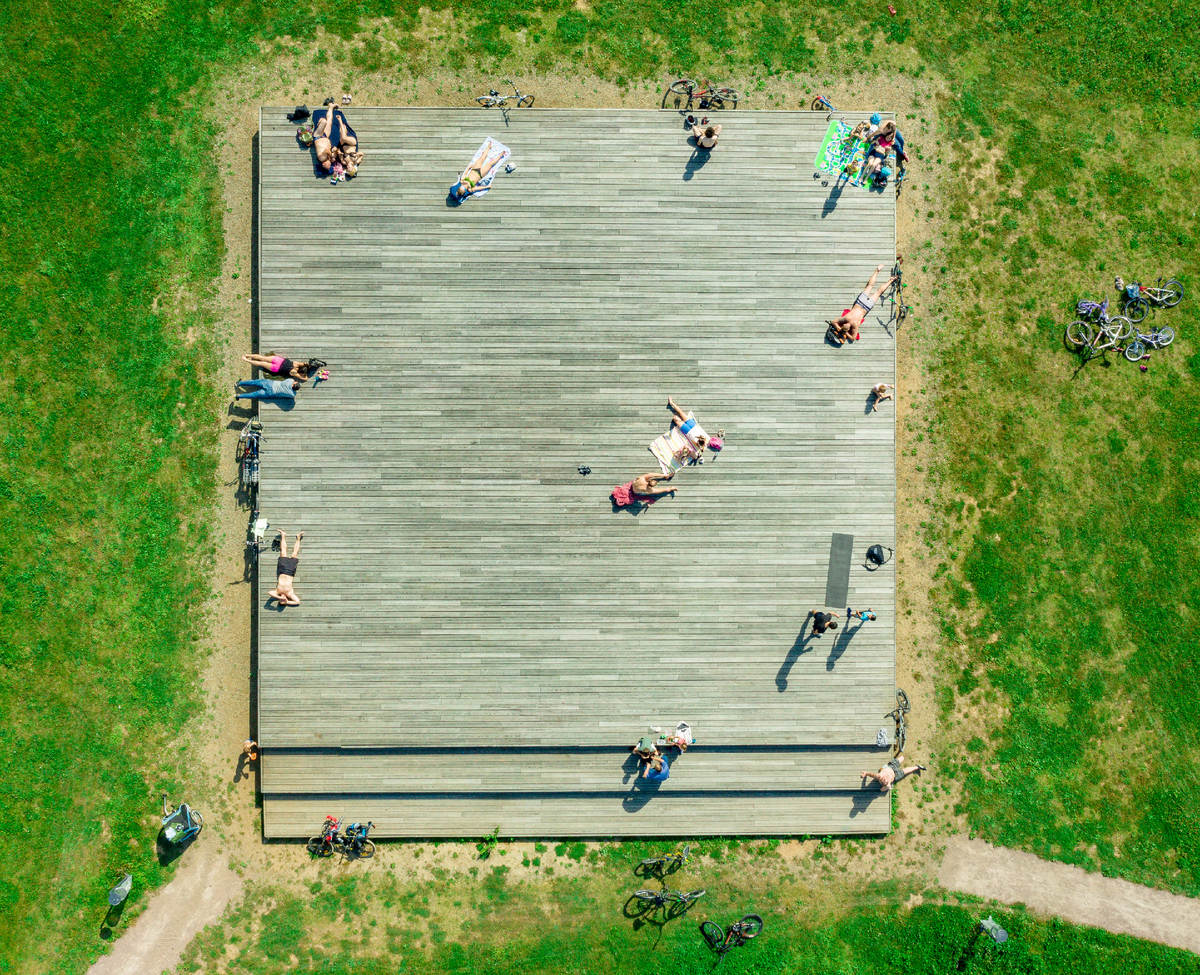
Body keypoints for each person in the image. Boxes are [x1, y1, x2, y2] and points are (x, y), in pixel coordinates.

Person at [827, 265, 897, 343]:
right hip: (866, 307)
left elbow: (833, 322)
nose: (845, 326)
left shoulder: (846, 318)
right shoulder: (855, 326)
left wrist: (840, 330)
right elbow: (853, 338)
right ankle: (890, 280)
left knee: (870, 286)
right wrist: (845, 332)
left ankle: (877, 271)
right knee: (878, 292)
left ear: (843, 325)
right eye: (846, 328)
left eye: (844, 326)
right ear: (848, 329)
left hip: (860, 302)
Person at [312, 101, 357, 172]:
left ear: (323, 164)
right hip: (326, 136)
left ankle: (319, 123)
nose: (330, 165)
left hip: (318, 136)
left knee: (324, 121)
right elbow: (334, 150)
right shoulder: (328, 158)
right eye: (330, 165)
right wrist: (334, 152)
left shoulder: (321, 158)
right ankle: (331, 106)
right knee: (329, 121)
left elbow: (327, 150)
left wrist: (331, 155)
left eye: (328, 166)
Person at [267, 530, 304, 606]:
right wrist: (287, 602)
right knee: (294, 554)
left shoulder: (277, 592)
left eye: (281, 600)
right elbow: (297, 602)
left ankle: (283, 535)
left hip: (282, 570)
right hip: (290, 572)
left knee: (283, 552)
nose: (283, 599)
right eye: (284, 600)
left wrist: (278, 597)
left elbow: (269, 593)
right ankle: (298, 537)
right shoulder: (289, 593)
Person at [612, 472, 677, 507]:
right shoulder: (649, 490)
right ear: (651, 487)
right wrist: (671, 489)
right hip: (636, 492)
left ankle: (665, 476)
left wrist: (665, 475)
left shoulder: (642, 479)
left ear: (649, 481)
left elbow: (652, 474)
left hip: (633, 484)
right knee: (648, 494)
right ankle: (671, 486)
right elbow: (660, 490)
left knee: (641, 478)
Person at [242, 353, 311, 382]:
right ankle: (246, 360)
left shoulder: (297, 364)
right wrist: (305, 375)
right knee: (261, 363)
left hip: (279, 360)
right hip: (277, 368)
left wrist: (308, 366)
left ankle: (247, 355)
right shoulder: (294, 372)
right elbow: (305, 379)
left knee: (262, 358)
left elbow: (305, 364)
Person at [235, 378, 301, 401]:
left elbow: (292, 379)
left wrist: (294, 381)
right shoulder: (292, 394)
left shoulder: (289, 381)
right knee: (254, 395)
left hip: (270, 383)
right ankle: (239, 396)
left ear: (293, 384)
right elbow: (293, 395)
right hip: (271, 392)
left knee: (254, 382)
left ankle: (239, 383)